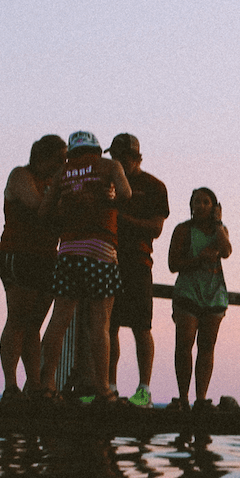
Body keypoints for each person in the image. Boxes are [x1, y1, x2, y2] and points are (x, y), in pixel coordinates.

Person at [39, 131, 131, 404]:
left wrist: (68, 210)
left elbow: (44, 211)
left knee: (59, 319)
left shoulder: (63, 173)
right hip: (101, 248)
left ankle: (46, 385)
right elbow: (126, 194)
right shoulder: (110, 166)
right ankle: (103, 389)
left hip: (69, 249)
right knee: (101, 323)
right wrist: (107, 203)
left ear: (72, 151)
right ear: (97, 148)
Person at [0, 134, 67, 403]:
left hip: (47, 256)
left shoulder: (54, 184)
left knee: (34, 323)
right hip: (19, 252)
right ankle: (11, 386)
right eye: (60, 158)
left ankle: (35, 384)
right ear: (43, 157)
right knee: (18, 318)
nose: (63, 164)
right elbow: (38, 206)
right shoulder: (20, 176)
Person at [106, 134, 169, 407]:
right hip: (108, 261)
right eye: (114, 157)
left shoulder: (154, 186)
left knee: (142, 327)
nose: (117, 162)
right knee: (108, 326)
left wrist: (121, 220)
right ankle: (109, 387)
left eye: (122, 158)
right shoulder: (107, 182)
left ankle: (144, 390)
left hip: (139, 263)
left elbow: (156, 228)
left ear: (136, 158)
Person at [168, 188, 231, 411]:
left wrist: (218, 223)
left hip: (214, 294)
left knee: (207, 347)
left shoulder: (220, 230)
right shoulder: (183, 230)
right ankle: (183, 398)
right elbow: (173, 264)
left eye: (206, 202)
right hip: (188, 293)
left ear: (214, 207)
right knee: (184, 344)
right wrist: (198, 259)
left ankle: (201, 399)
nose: (201, 206)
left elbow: (226, 251)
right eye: (197, 202)